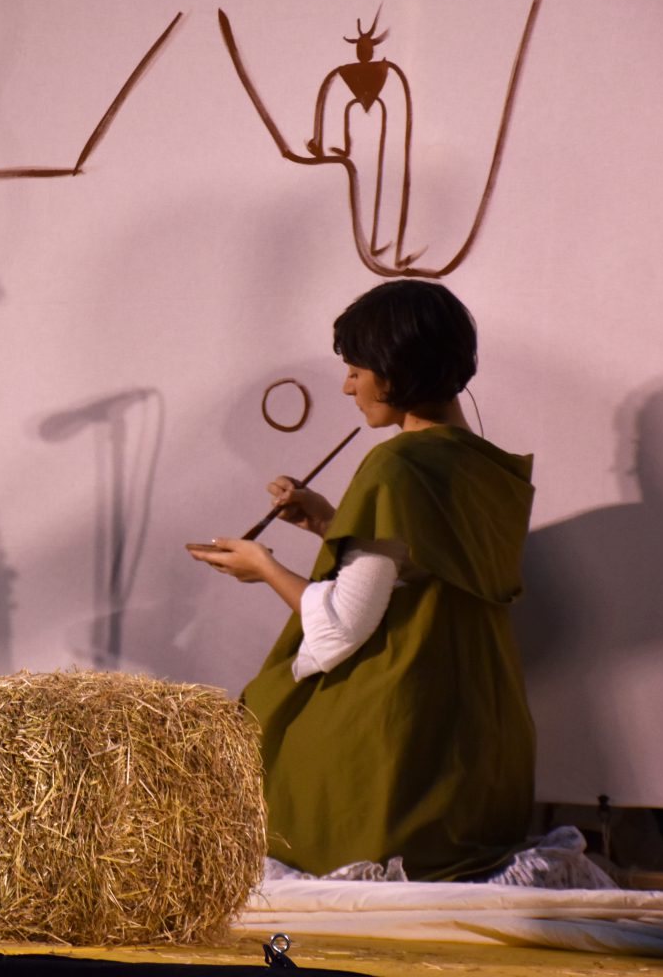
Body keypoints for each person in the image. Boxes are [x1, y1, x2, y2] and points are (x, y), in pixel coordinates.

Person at [189, 280, 535, 880]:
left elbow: (343, 628)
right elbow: (421, 571)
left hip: (398, 731)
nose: (348, 387)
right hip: (476, 729)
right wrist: (327, 521)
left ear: (397, 369)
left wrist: (263, 566)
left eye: (356, 369)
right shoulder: (484, 466)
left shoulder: (397, 463)